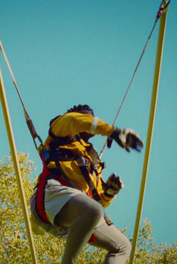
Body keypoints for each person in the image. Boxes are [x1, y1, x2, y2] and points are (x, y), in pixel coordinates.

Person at [30, 104, 143, 264]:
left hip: (76, 210)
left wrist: (109, 192)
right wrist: (113, 131)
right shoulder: (61, 130)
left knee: (122, 246)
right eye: (85, 118)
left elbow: (98, 200)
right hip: (52, 195)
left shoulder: (91, 158)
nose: (88, 121)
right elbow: (74, 121)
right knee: (93, 210)